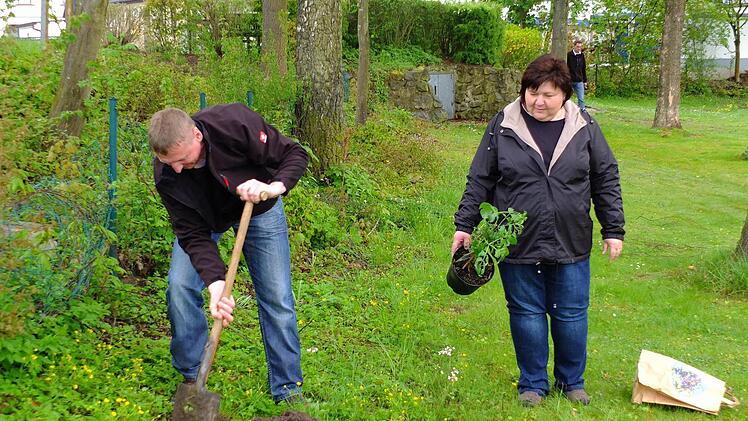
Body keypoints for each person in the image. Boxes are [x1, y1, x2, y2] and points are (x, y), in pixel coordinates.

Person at [451, 55, 624, 407]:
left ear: (565, 96)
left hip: (571, 236)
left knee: (571, 312)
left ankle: (571, 381)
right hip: (516, 240)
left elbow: (605, 176)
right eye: (532, 92)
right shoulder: (503, 124)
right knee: (526, 311)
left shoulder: (584, 125)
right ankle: (532, 383)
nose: (537, 101)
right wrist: (464, 225)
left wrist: (613, 228)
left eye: (547, 94)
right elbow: (480, 177)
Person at [148, 103, 309, 404]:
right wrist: (216, 284)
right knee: (180, 286)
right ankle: (192, 375)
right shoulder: (167, 173)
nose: (178, 169)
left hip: (259, 209)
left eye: (183, 160)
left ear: (197, 135)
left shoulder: (234, 123)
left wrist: (273, 187)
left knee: (277, 296)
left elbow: (294, 154)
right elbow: (191, 234)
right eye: (169, 163)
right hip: (205, 221)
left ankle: (288, 388)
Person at [567, 40, 588, 112]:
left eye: (580, 47)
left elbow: (583, 68)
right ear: (574, 46)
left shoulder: (582, 55)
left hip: (579, 80)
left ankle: (582, 111)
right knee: (567, 97)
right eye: (577, 47)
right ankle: (567, 111)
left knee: (581, 98)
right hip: (570, 80)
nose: (579, 48)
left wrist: (585, 81)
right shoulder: (569, 55)